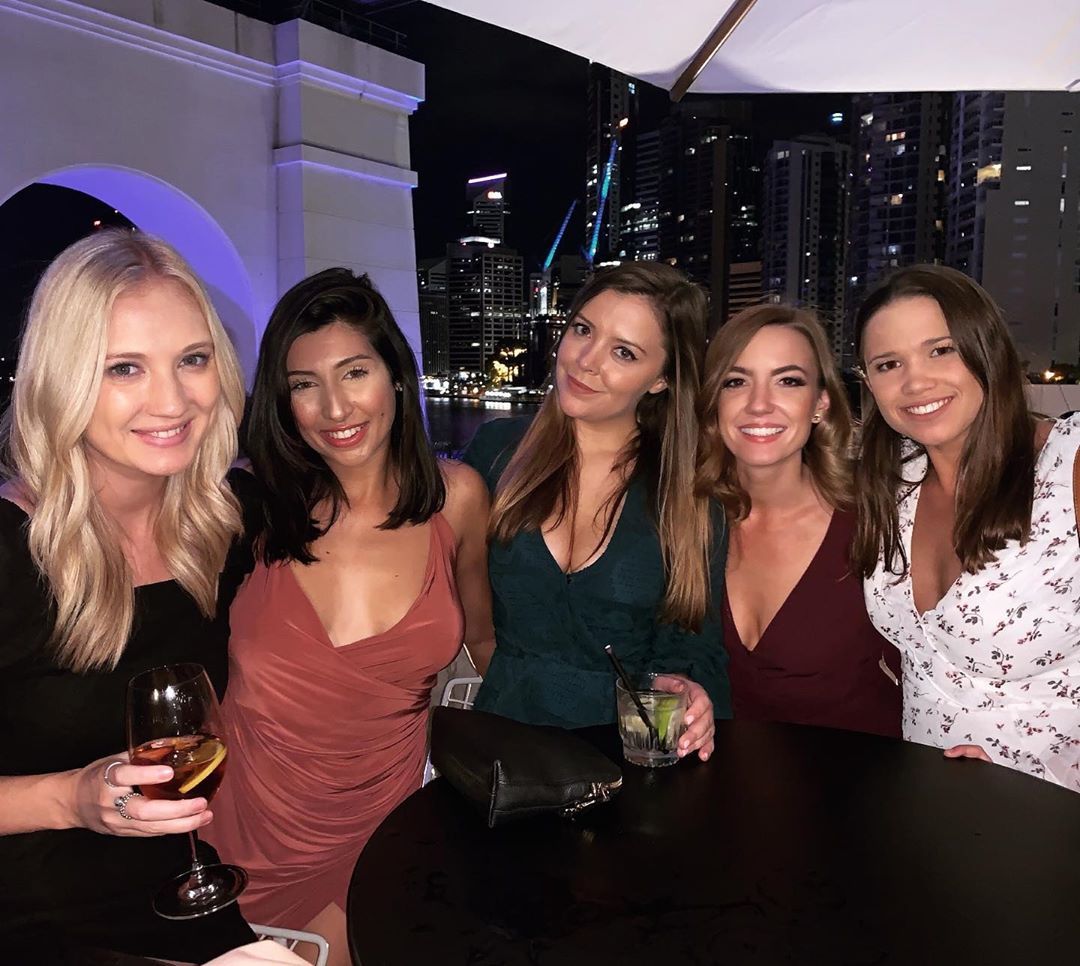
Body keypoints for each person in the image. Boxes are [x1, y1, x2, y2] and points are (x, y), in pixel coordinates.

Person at [206, 269, 492, 964]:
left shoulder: (457, 497)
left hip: (382, 826)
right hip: (240, 827)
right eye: (304, 384)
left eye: (354, 372)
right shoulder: (247, 507)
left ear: (395, 374)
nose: (334, 407)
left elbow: (484, 643)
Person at [0, 230, 257, 962]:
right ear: (63, 379)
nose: (172, 400)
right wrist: (71, 798)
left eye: (193, 360)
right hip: (27, 919)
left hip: (180, 893)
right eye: (124, 368)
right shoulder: (9, 553)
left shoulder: (223, 523)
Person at [462, 262, 728, 757]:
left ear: (661, 379)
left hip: (626, 758)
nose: (585, 360)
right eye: (583, 330)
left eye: (623, 352)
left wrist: (687, 689)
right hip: (502, 750)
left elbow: (694, 645)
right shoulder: (496, 452)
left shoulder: (687, 494)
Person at [854, 265, 1080, 788]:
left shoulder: (1068, 467)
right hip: (931, 804)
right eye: (889, 364)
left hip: (1053, 811)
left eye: (941, 350)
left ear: (988, 350)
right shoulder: (895, 481)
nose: (915, 382)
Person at [695, 305, 901, 737]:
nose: (759, 405)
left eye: (788, 381)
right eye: (736, 382)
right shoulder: (689, 520)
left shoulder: (877, 515)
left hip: (866, 774)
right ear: (715, 403)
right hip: (725, 775)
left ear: (820, 404)